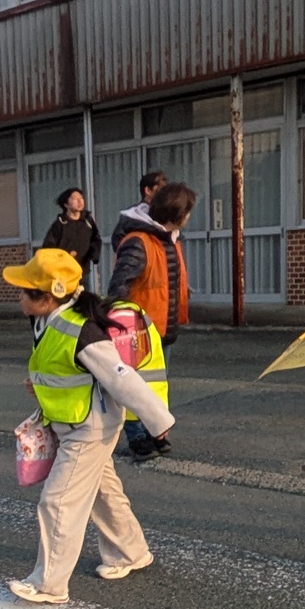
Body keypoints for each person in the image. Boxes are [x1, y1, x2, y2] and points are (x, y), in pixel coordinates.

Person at [3, 248, 177, 605]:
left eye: (24, 291)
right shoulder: (48, 320)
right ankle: (130, 552)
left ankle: (49, 584)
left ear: (48, 297)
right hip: (75, 422)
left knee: (58, 501)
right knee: (101, 492)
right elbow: (67, 370)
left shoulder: (82, 330)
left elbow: (121, 378)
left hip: (89, 427)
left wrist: (157, 422)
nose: (19, 296)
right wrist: (39, 385)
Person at [107, 180, 193, 460]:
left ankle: (154, 431)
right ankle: (137, 438)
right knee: (135, 387)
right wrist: (122, 328)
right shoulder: (140, 242)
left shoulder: (168, 239)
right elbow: (119, 286)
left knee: (156, 385)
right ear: (176, 213)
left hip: (162, 327)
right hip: (140, 332)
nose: (189, 216)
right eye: (187, 211)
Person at [40, 187, 100, 283]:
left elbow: (96, 239)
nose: (80, 201)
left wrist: (94, 256)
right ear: (66, 204)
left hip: (83, 270)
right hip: (63, 272)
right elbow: (48, 246)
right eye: (74, 198)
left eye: (81, 198)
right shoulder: (60, 224)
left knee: (84, 292)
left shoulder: (88, 221)